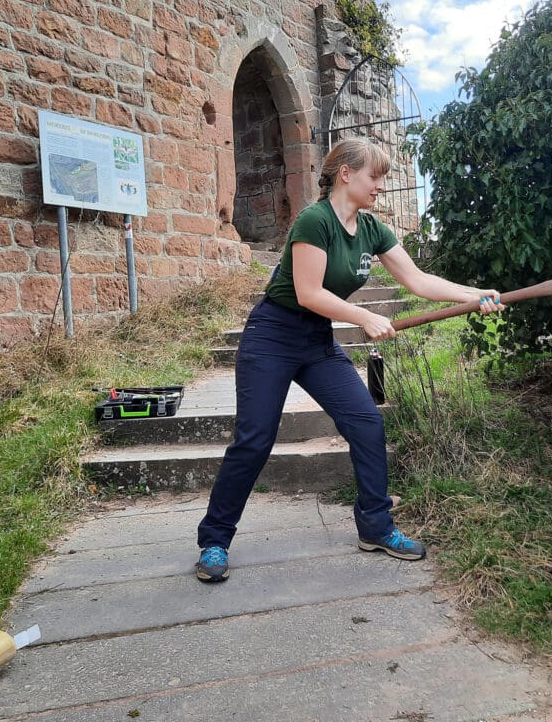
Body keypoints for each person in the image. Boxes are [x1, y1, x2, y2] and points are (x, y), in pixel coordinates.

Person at [196, 138, 504, 583]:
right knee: (255, 438)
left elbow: (417, 279)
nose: (380, 186)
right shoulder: (314, 220)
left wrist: (476, 295)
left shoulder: (373, 230)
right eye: (374, 176)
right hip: (273, 336)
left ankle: (376, 527)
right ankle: (215, 541)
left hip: (316, 341)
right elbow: (308, 292)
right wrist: (364, 316)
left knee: (366, 422)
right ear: (346, 174)